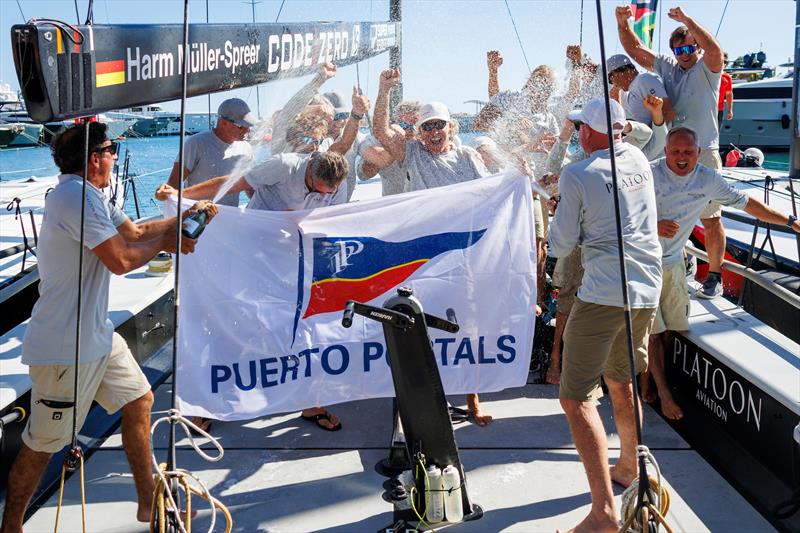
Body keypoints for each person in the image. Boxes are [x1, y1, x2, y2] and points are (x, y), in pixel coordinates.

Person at [0, 123, 216, 532]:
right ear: (95, 157)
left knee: (139, 400)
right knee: (42, 445)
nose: (116, 157)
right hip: (66, 348)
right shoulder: (73, 198)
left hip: (96, 336)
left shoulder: (90, 195)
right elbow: (120, 260)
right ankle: (11, 527)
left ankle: (147, 505)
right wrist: (170, 241)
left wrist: (181, 219)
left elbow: (134, 232)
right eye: (111, 149)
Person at [548, 98, 662, 532]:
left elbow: (561, 246)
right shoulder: (638, 158)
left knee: (575, 398)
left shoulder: (576, 173)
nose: (577, 132)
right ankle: (629, 465)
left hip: (603, 293)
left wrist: (560, 203)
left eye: (580, 126)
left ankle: (603, 514)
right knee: (620, 377)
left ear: (589, 132)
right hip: (646, 289)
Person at [645, 126, 800, 420]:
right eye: (675, 151)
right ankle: (662, 393)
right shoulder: (647, 175)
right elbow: (619, 216)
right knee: (653, 332)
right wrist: (653, 225)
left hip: (675, 262)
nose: (681, 157)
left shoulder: (707, 179)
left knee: (672, 328)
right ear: (665, 151)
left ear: (698, 153)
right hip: (644, 262)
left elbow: (749, 204)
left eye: (688, 152)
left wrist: (791, 221)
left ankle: (651, 379)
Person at [372, 68, 493, 426]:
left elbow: (491, 194)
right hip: (424, 256)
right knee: (418, 324)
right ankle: (417, 396)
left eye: (439, 125)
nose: (434, 132)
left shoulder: (469, 156)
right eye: (427, 127)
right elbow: (380, 131)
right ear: (419, 132)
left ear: (451, 127)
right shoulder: (413, 154)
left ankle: (472, 400)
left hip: (462, 255)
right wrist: (384, 89)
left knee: (467, 325)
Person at [616, 4, 728, 299]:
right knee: (665, 210)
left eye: (690, 48)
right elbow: (635, 49)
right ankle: (680, 260)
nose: (685, 54)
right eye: (679, 51)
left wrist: (687, 20)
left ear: (696, 47)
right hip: (673, 152)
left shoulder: (708, 68)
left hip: (703, 152)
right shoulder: (668, 67)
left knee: (711, 216)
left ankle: (715, 275)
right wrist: (621, 23)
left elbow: (714, 49)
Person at [167, 98, 256, 208]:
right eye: (241, 126)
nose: (247, 130)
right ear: (223, 123)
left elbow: (249, 186)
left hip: (230, 218)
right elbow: (173, 184)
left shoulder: (246, 148)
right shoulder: (196, 143)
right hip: (197, 218)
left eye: (249, 126)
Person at [361, 100, 421, 196]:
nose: (410, 131)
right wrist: (392, 145)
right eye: (404, 126)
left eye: (415, 126)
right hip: (392, 206)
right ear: (393, 125)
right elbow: (363, 175)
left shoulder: (427, 142)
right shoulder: (378, 142)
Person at [322, 91, 370, 201]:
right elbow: (338, 150)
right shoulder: (314, 140)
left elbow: (374, 153)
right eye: (336, 116)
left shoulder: (356, 136)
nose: (341, 121)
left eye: (344, 115)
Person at [606, 53, 675, 127]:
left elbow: (667, 110)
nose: (613, 84)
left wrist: (662, 136)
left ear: (621, 72)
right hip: (649, 136)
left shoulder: (644, 80)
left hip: (661, 136)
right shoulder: (634, 88)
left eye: (611, 79)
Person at [718, 53, 734, 131]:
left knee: (716, 133)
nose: (722, 63)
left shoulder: (727, 77)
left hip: (719, 110)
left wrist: (730, 110)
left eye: (724, 62)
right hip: (706, 109)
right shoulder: (707, 74)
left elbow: (729, 94)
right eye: (720, 60)